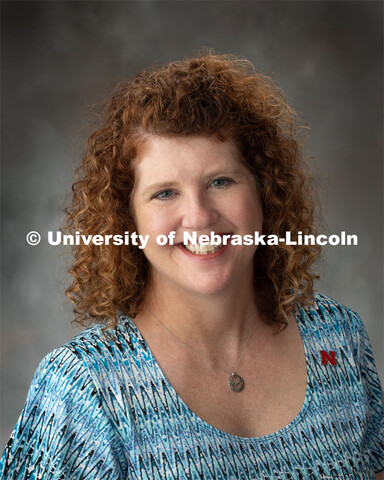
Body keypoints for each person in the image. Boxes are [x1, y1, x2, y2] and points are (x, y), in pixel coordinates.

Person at [1, 51, 383, 480]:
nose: (199, 216)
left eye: (220, 181)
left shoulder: (337, 338)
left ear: (265, 192)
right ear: (127, 220)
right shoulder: (83, 386)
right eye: (165, 193)